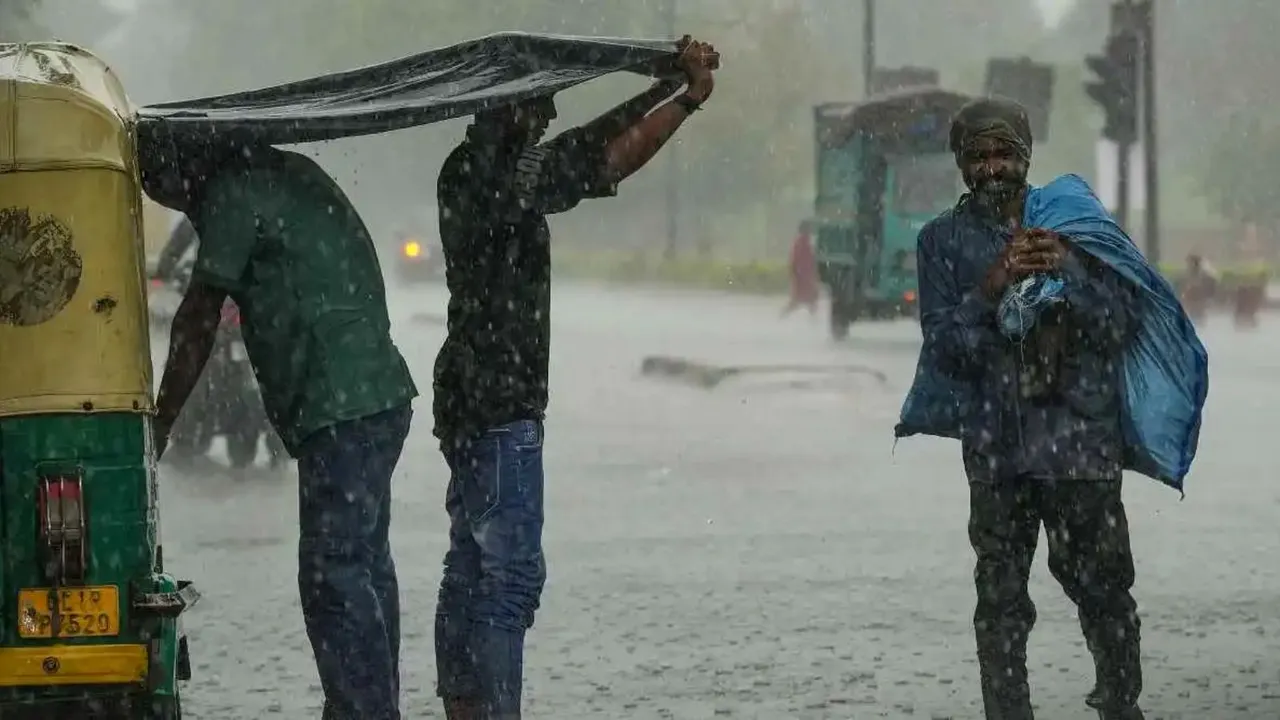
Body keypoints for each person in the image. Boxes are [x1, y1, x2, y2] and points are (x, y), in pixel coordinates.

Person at [431, 36, 718, 719]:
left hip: (468, 396)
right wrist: (684, 100)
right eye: (540, 104)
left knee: (470, 568)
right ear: (505, 109)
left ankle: (466, 707)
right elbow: (601, 158)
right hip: (500, 400)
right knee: (510, 578)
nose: (550, 115)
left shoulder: (470, 168)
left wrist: (669, 91)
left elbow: (590, 150)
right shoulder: (497, 175)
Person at [152, 142, 417, 720]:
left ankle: (362, 711)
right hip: (378, 394)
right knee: (364, 564)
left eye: (168, 191)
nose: (179, 205)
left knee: (333, 573)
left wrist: (158, 425)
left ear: (184, 170)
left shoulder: (231, 191)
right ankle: (368, 705)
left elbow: (199, 315)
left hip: (338, 401)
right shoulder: (286, 174)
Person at [913, 97, 1145, 720]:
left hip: (1080, 447)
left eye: (1005, 154)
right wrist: (991, 287)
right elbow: (945, 348)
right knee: (1001, 601)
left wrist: (1067, 268)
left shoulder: (1075, 223)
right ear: (962, 164)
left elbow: (1121, 323)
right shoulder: (940, 242)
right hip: (998, 453)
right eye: (979, 156)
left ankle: (1121, 704)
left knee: (1104, 591)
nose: (994, 168)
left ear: (1026, 157)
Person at [780, 219, 819, 317]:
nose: (811, 230)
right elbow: (800, 259)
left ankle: (814, 322)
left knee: (809, 300)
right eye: (809, 228)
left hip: (804, 276)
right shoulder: (802, 241)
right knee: (798, 301)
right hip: (802, 276)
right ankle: (781, 317)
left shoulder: (803, 241)